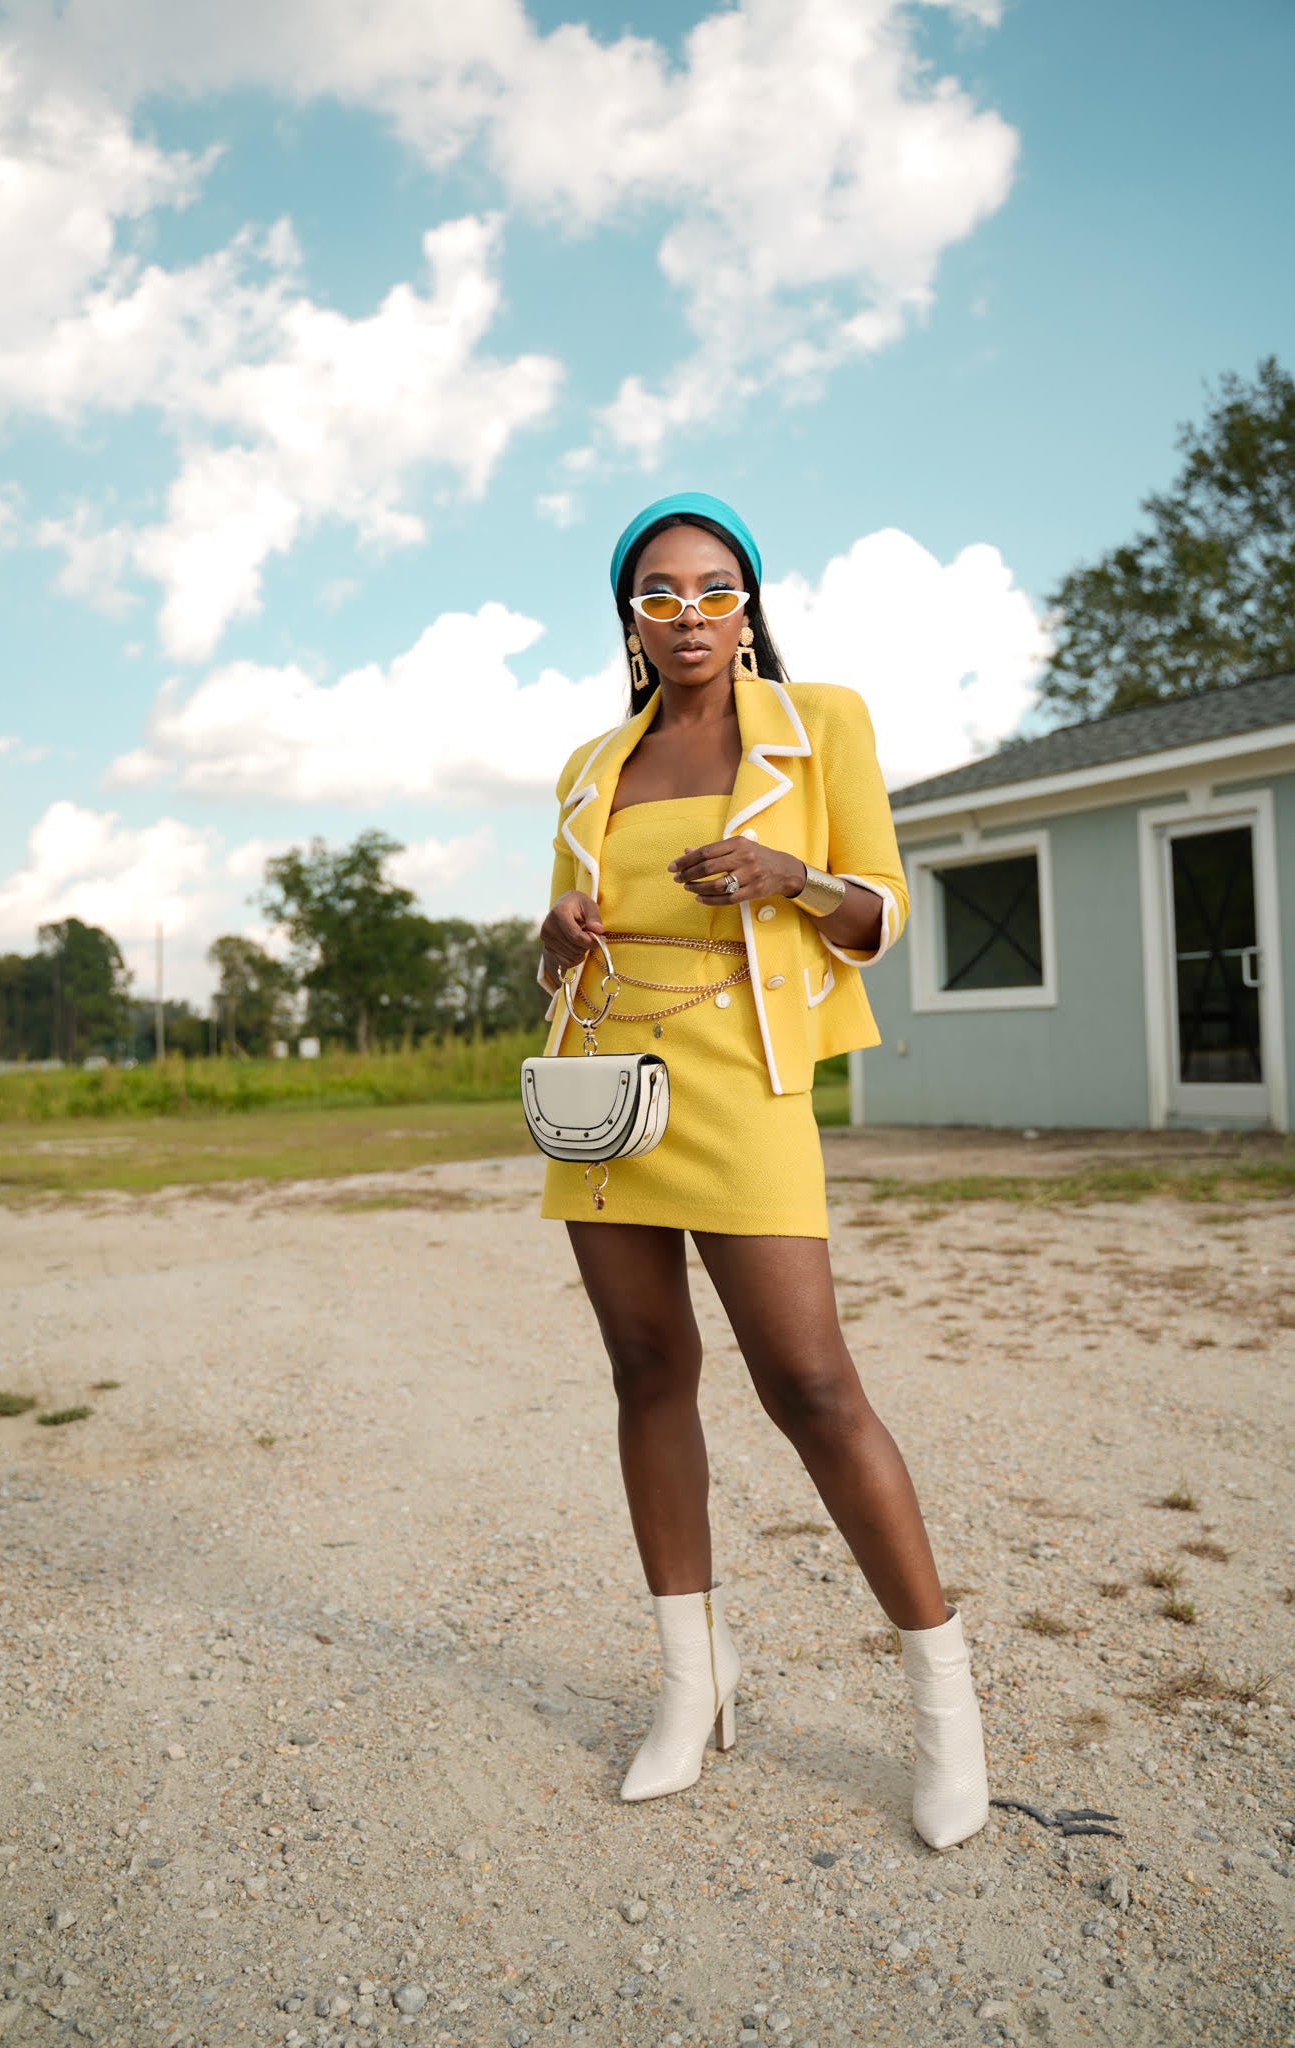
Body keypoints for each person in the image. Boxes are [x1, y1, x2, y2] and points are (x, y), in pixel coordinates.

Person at [536, 492, 988, 1851]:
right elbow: (558, 955)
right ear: (630, 617)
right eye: (659, 593)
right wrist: (553, 933)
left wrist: (787, 873)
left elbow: (880, 909)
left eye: (712, 588)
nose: (687, 613)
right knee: (643, 1372)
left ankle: (942, 1707)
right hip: (606, 1085)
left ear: (749, 604)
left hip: (745, 1080)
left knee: (809, 1384)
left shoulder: (821, 723)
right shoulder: (584, 763)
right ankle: (691, 1684)